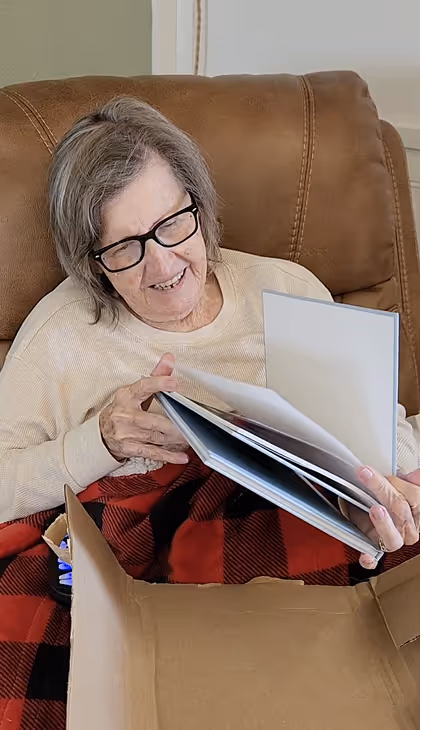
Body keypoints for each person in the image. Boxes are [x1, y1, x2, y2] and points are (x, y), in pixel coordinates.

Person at [0, 97, 419, 576]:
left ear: (199, 205)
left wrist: (379, 502)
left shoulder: (287, 289)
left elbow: (381, 438)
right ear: (92, 261)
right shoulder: (59, 334)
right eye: (124, 248)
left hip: (308, 539)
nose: (163, 265)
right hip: (155, 567)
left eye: (172, 224)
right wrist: (100, 442)